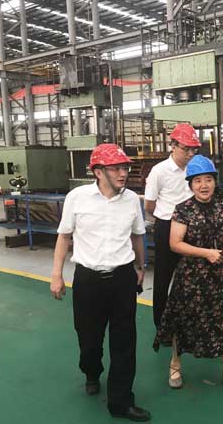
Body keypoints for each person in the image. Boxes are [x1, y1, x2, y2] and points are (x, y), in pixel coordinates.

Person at [50, 144, 151, 422]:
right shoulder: (77, 198)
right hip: (88, 280)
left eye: (125, 167)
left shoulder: (131, 200)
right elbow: (64, 236)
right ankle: (92, 371)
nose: (123, 173)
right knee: (89, 340)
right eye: (116, 168)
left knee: (124, 342)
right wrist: (57, 274)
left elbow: (137, 236)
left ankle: (121, 402)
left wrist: (140, 267)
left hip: (122, 279)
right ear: (97, 171)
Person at [153, 155, 223, 395]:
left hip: (219, 275)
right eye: (197, 181)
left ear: (214, 182)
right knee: (184, 320)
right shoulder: (183, 209)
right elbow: (175, 243)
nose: (204, 185)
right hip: (191, 276)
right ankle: (175, 366)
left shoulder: (221, 206)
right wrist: (206, 253)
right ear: (190, 184)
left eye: (208, 180)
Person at [144, 123, 201, 329]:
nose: (190, 154)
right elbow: (149, 205)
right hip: (167, 226)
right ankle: (162, 324)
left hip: (192, 227)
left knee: (193, 276)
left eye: (193, 149)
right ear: (173, 146)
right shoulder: (159, 171)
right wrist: (167, 219)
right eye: (186, 149)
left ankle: (193, 321)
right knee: (163, 276)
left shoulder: (195, 169)